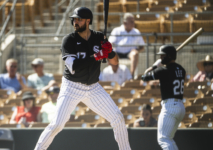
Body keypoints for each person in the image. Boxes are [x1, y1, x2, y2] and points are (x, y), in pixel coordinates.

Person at [34, 7, 131, 150]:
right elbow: (73, 67)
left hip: (93, 87)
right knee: (57, 124)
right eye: (74, 19)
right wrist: (97, 55)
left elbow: (115, 62)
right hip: (71, 87)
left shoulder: (98, 37)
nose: (75, 22)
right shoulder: (69, 40)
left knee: (118, 117)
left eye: (79, 19)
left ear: (88, 21)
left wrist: (109, 52)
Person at [141, 45, 186, 150]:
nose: (161, 58)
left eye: (163, 56)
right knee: (168, 139)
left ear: (169, 56)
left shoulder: (163, 70)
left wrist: (154, 66)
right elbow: (171, 74)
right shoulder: (182, 69)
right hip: (180, 106)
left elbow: (144, 77)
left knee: (163, 139)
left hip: (170, 107)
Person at [108, 13, 145, 77]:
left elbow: (142, 46)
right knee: (111, 53)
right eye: (131, 22)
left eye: (133, 21)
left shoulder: (136, 31)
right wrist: (112, 48)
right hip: (117, 52)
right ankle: (113, 75)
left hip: (130, 54)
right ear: (125, 23)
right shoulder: (116, 30)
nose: (134, 23)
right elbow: (110, 43)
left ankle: (131, 76)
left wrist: (136, 50)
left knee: (135, 53)